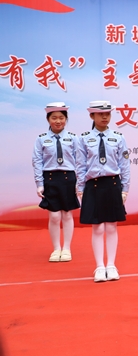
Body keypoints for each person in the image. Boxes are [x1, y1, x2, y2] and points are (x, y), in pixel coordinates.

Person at [76, 101, 130, 283]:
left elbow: (124, 165)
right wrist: (80, 188)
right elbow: (80, 165)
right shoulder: (84, 138)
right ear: (92, 116)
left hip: (113, 184)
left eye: (107, 113)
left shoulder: (118, 137)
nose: (105, 117)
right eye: (100, 114)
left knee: (112, 226)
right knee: (98, 227)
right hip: (93, 185)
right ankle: (99, 266)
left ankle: (111, 265)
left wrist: (125, 189)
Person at [32, 102, 80, 262]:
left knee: (67, 214)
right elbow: (37, 162)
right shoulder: (41, 139)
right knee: (53, 216)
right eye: (54, 118)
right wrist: (39, 184)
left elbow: (80, 161)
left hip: (68, 178)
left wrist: (79, 183)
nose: (58, 121)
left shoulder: (73, 138)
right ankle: (56, 248)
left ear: (66, 119)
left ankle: (66, 248)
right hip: (50, 178)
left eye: (61, 118)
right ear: (48, 119)